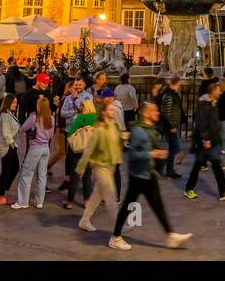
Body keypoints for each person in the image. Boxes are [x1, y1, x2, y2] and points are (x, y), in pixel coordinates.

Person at [109, 101, 193, 251]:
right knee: (129, 206)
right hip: (139, 175)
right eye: (154, 111)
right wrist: (152, 154)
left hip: (147, 173)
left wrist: (156, 156)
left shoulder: (149, 129)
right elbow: (132, 154)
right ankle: (115, 237)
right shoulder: (138, 131)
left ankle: (170, 235)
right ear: (146, 113)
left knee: (156, 206)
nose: (158, 113)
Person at [76, 89, 123, 232]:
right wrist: (82, 166)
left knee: (97, 195)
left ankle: (84, 220)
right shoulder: (99, 129)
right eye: (110, 109)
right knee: (110, 197)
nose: (113, 111)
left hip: (111, 166)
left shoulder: (113, 127)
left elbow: (116, 142)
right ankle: (118, 228)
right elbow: (89, 149)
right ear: (103, 112)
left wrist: (123, 138)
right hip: (100, 166)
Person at [185, 82, 225, 200]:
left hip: (213, 140)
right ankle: (188, 189)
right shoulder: (203, 104)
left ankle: (223, 192)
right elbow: (201, 122)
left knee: (216, 165)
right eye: (218, 90)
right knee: (197, 166)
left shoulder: (213, 103)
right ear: (212, 91)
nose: (220, 92)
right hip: (205, 141)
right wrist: (205, 138)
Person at [12, 96, 55, 209]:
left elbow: (22, 128)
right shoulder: (52, 118)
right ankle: (39, 201)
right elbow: (51, 135)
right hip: (46, 148)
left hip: (35, 147)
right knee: (42, 175)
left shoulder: (34, 118)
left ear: (39, 106)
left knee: (26, 174)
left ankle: (22, 202)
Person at [0, 94, 21, 204]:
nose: (15, 104)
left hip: (11, 146)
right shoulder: (5, 116)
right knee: (6, 171)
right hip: (7, 147)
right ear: (8, 103)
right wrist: (12, 145)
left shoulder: (10, 114)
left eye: (16, 102)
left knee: (14, 168)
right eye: (13, 102)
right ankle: (1, 194)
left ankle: (4, 190)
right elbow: (6, 133)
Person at [158, 75, 184, 179]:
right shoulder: (169, 95)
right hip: (170, 126)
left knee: (174, 147)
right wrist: (171, 125)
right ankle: (162, 164)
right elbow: (167, 112)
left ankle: (170, 171)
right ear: (176, 84)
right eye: (179, 84)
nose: (179, 86)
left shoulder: (172, 94)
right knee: (175, 148)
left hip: (173, 125)